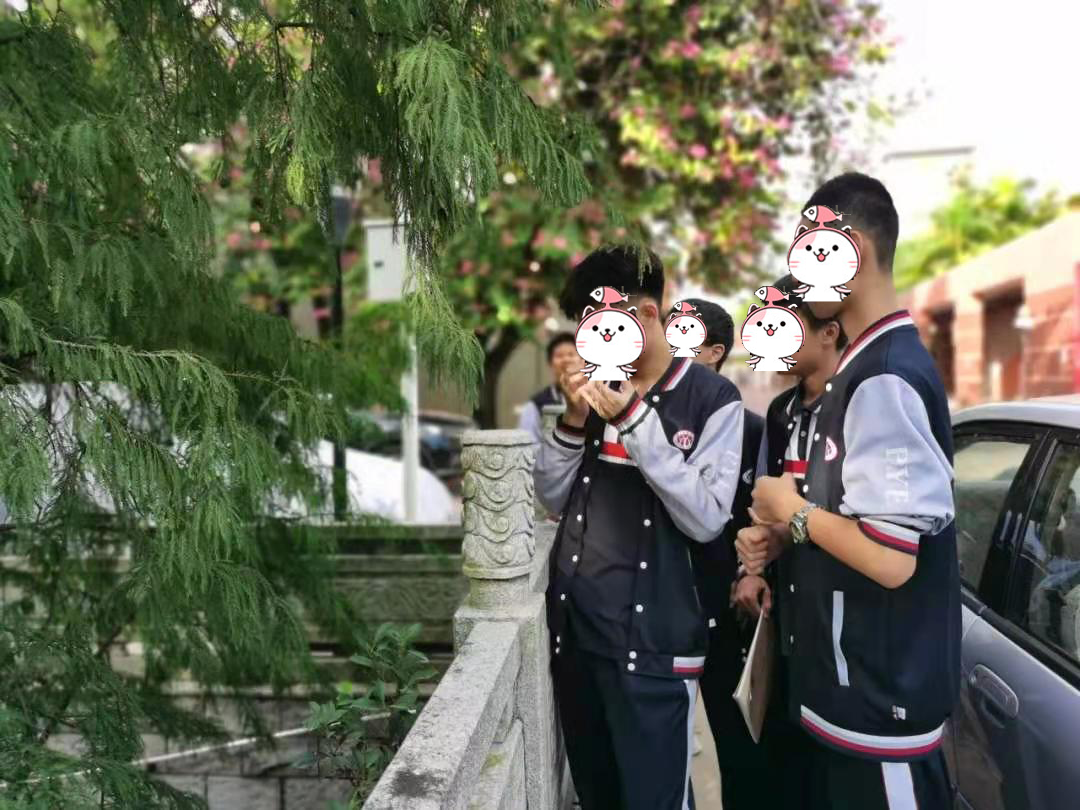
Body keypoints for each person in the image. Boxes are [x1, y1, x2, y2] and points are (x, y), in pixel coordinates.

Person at [737, 173, 959, 810]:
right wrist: (785, 538)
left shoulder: (882, 375)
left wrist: (793, 511)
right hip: (847, 696)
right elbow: (858, 524)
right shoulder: (860, 372)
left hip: (879, 708)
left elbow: (891, 558)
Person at [534, 246, 744, 810]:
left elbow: (706, 517)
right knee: (597, 795)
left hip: (654, 652)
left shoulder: (713, 398)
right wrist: (574, 420)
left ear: (648, 314)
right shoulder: (595, 391)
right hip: (578, 641)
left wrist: (633, 418)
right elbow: (551, 497)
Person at [679, 296, 770, 809]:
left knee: (730, 727)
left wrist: (747, 573)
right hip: (665, 600)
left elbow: (764, 516)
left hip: (727, 600)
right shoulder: (648, 423)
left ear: (714, 352)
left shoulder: (753, 428)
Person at [518, 332, 577, 443]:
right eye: (559, 355)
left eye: (571, 354)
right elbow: (527, 445)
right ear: (550, 363)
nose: (566, 359)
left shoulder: (596, 400)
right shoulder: (536, 405)